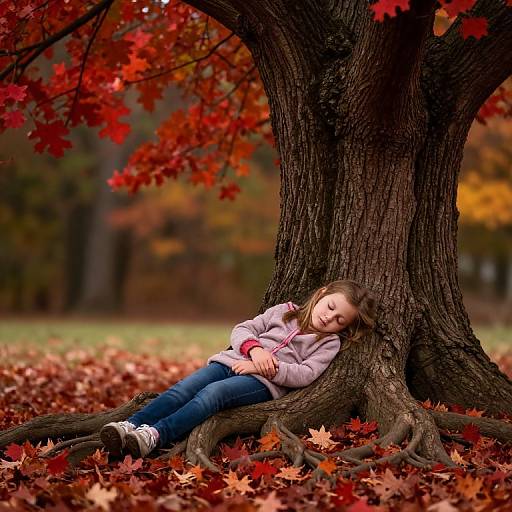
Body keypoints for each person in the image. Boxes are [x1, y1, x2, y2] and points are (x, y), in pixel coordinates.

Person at [100, 279, 377, 458]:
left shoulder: (327, 342)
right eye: (330, 307)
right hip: (230, 361)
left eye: (339, 319)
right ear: (321, 294)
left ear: (344, 327)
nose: (329, 317)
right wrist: (254, 350)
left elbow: (306, 373)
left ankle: (155, 435)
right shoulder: (285, 310)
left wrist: (269, 367)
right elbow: (243, 329)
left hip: (262, 384)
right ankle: (131, 425)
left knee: (213, 395)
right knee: (183, 388)